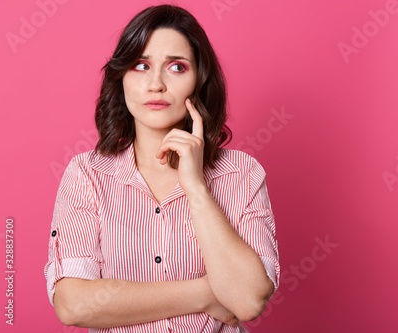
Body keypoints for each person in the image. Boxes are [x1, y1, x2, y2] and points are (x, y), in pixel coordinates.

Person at [44, 4, 279, 333]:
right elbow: (73, 304)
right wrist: (205, 294)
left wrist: (196, 186)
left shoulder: (241, 174)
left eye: (177, 67)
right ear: (121, 76)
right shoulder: (88, 173)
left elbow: (248, 301)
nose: (155, 84)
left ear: (199, 80)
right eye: (141, 65)